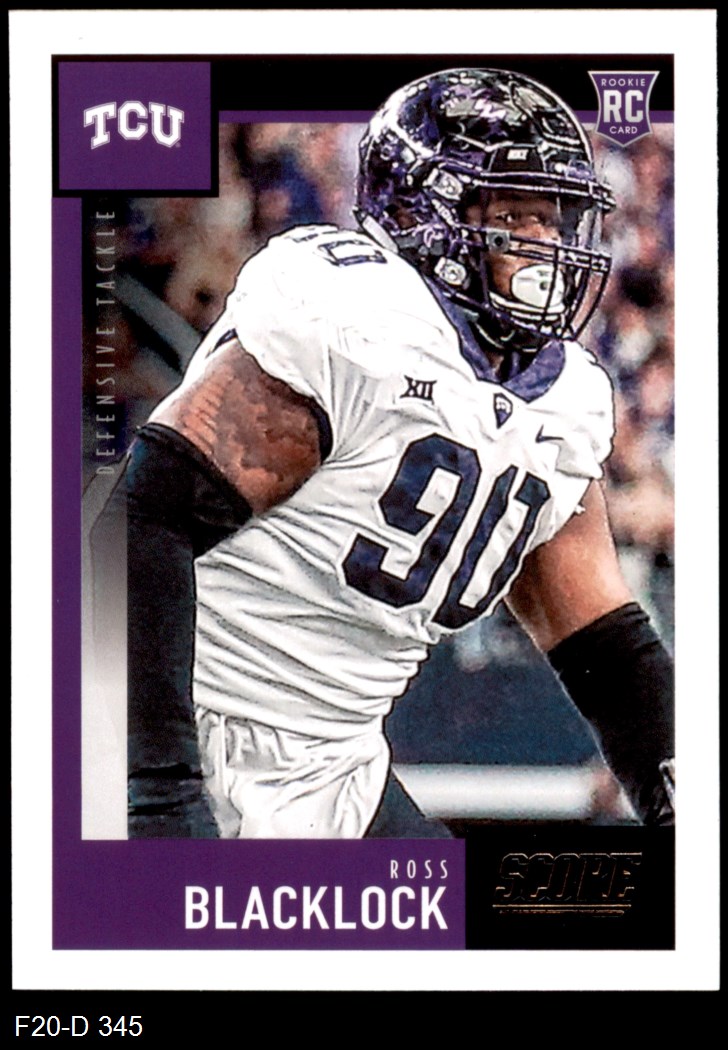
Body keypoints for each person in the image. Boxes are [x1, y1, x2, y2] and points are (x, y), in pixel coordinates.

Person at [126, 68, 674, 839]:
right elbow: (137, 526)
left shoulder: (566, 399)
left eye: (553, 218)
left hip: (337, 763)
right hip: (179, 722)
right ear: (423, 213)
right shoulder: (356, 323)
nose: (544, 243)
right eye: (514, 214)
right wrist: (155, 789)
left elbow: (606, 644)